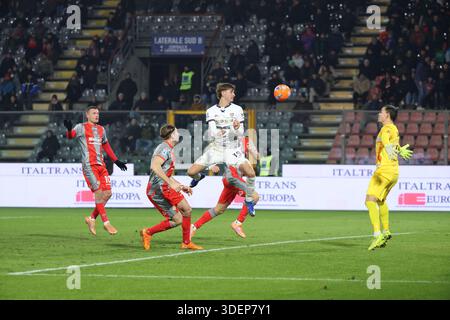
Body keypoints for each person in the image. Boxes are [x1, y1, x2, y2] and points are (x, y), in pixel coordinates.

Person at [187, 83, 257, 216]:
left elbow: (241, 132)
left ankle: (248, 200)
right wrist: (217, 133)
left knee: (251, 173)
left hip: (232, 148)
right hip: (216, 148)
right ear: (223, 93)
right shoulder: (211, 110)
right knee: (191, 172)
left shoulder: (238, 109)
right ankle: (199, 177)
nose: (234, 94)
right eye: (232, 92)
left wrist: (236, 128)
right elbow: (212, 130)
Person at [64, 105, 128, 236]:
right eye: (94, 113)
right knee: (98, 193)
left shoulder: (101, 129)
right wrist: (69, 129)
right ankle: (106, 223)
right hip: (89, 166)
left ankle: (92, 219)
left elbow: (106, 145)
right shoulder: (81, 127)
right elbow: (71, 136)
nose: (97, 115)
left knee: (108, 194)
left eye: (98, 113)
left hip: (101, 166)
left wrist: (116, 161)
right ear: (87, 115)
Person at [139, 124, 203, 251]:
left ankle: (148, 232)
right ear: (171, 135)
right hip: (160, 189)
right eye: (177, 131)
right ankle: (186, 242)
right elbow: (155, 166)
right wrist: (171, 183)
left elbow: (166, 173)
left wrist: (180, 185)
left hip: (161, 188)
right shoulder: (163, 148)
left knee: (178, 219)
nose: (179, 133)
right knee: (187, 209)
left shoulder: (169, 149)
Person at [191, 137, 260, 238]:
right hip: (232, 176)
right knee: (254, 196)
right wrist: (211, 166)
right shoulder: (227, 141)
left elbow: (257, 157)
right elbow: (211, 154)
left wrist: (252, 150)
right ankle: (238, 223)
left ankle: (193, 227)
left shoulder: (245, 140)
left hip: (231, 180)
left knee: (219, 209)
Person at [365, 105, 413, 251]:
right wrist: (398, 150)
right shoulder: (394, 128)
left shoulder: (386, 129)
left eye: (381, 112)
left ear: (387, 115)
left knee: (369, 201)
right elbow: (395, 145)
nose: (379, 114)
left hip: (383, 171)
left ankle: (377, 234)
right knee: (380, 201)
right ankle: (386, 231)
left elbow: (386, 141)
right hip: (393, 172)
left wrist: (388, 147)